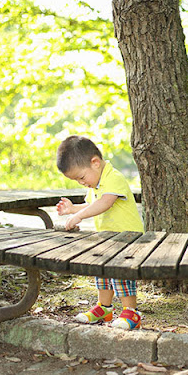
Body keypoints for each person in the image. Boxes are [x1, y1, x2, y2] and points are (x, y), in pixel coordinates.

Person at [55, 135, 143, 330]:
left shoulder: (114, 178)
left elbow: (104, 203)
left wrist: (80, 217)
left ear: (95, 163)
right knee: (102, 273)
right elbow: (91, 204)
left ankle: (131, 312)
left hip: (128, 239)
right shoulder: (96, 183)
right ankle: (104, 308)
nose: (81, 183)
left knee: (121, 274)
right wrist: (73, 210)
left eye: (81, 177)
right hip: (108, 239)